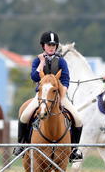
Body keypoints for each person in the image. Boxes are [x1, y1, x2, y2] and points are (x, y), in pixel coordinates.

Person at [14, 31, 83, 159]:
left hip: (58, 95)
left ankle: (74, 150)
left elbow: (66, 78)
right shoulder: (37, 60)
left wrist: (63, 92)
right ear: (43, 46)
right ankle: (21, 145)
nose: (51, 47)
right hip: (41, 96)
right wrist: (41, 62)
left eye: (53, 45)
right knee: (24, 116)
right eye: (48, 45)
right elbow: (34, 77)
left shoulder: (61, 61)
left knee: (78, 119)